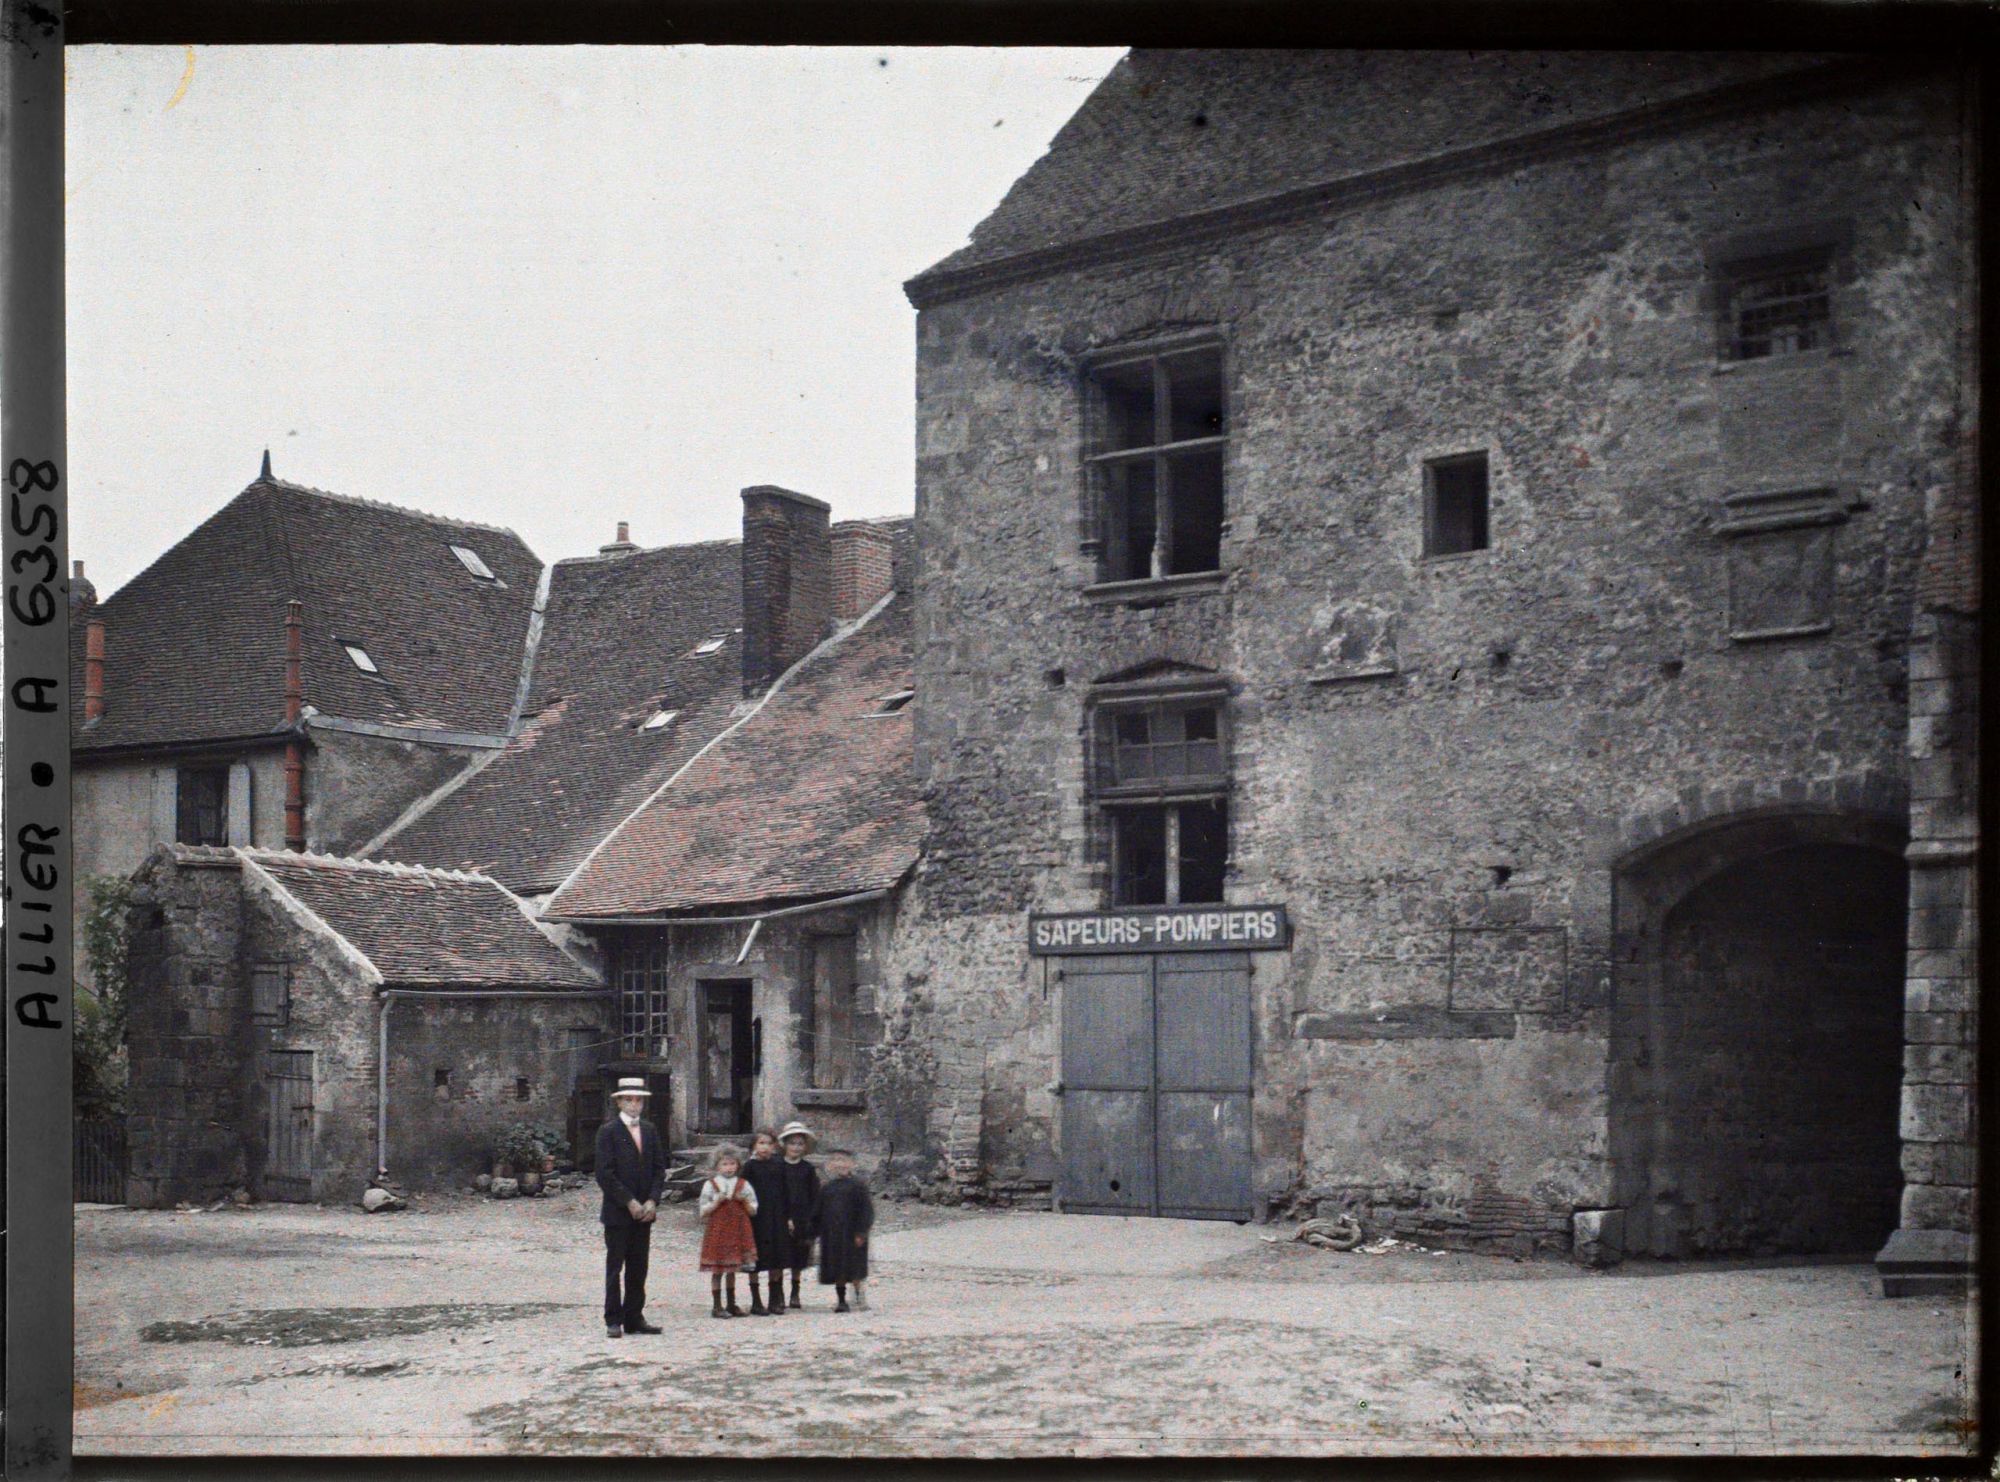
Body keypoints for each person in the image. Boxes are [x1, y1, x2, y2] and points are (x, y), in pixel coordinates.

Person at [594, 1077, 667, 1338]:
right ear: (618, 1102)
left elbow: (659, 1169)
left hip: (644, 1213)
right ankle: (613, 1318)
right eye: (628, 1100)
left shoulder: (649, 1130)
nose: (634, 1105)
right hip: (618, 1213)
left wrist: (652, 1200)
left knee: (639, 1267)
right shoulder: (608, 1132)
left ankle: (634, 1317)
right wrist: (629, 1201)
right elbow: (604, 1173)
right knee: (616, 1267)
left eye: (638, 1100)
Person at [697, 1146, 759, 1319]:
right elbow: (702, 1211)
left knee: (732, 1268)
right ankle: (717, 1305)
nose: (729, 1167)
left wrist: (743, 1201)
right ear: (717, 1166)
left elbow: (754, 1209)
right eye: (724, 1164)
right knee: (718, 1269)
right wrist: (716, 1203)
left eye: (732, 1163)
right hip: (718, 1230)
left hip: (737, 1230)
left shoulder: (743, 1184)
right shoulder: (711, 1185)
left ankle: (731, 1303)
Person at [814, 1148, 874, 1313]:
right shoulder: (827, 1188)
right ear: (829, 1165)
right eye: (835, 1160)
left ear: (852, 1164)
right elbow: (819, 1211)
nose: (839, 1164)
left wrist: (861, 1232)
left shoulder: (858, 1186)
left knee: (855, 1267)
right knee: (837, 1269)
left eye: (843, 1160)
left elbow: (866, 1211)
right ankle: (841, 1300)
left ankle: (857, 1294)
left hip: (852, 1234)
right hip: (832, 1236)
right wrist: (815, 1231)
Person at [739, 1128, 789, 1316]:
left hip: (776, 1217)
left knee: (775, 1258)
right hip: (756, 1218)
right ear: (753, 1146)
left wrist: (788, 1216)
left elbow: (786, 1191)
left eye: (769, 1143)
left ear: (774, 1146)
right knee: (756, 1258)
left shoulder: (779, 1165)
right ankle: (756, 1300)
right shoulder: (749, 1167)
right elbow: (742, 1191)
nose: (765, 1147)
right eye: (761, 1143)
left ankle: (775, 1299)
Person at [774, 1120, 821, 1310]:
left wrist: (812, 1219)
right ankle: (778, 1293)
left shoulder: (808, 1169)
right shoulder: (776, 1166)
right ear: (784, 1144)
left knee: (798, 1258)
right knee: (778, 1257)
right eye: (792, 1143)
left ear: (805, 1147)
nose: (796, 1147)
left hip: (802, 1218)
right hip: (780, 1218)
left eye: (800, 1144)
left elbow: (815, 1195)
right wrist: (783, 1218)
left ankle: (795, 1292)